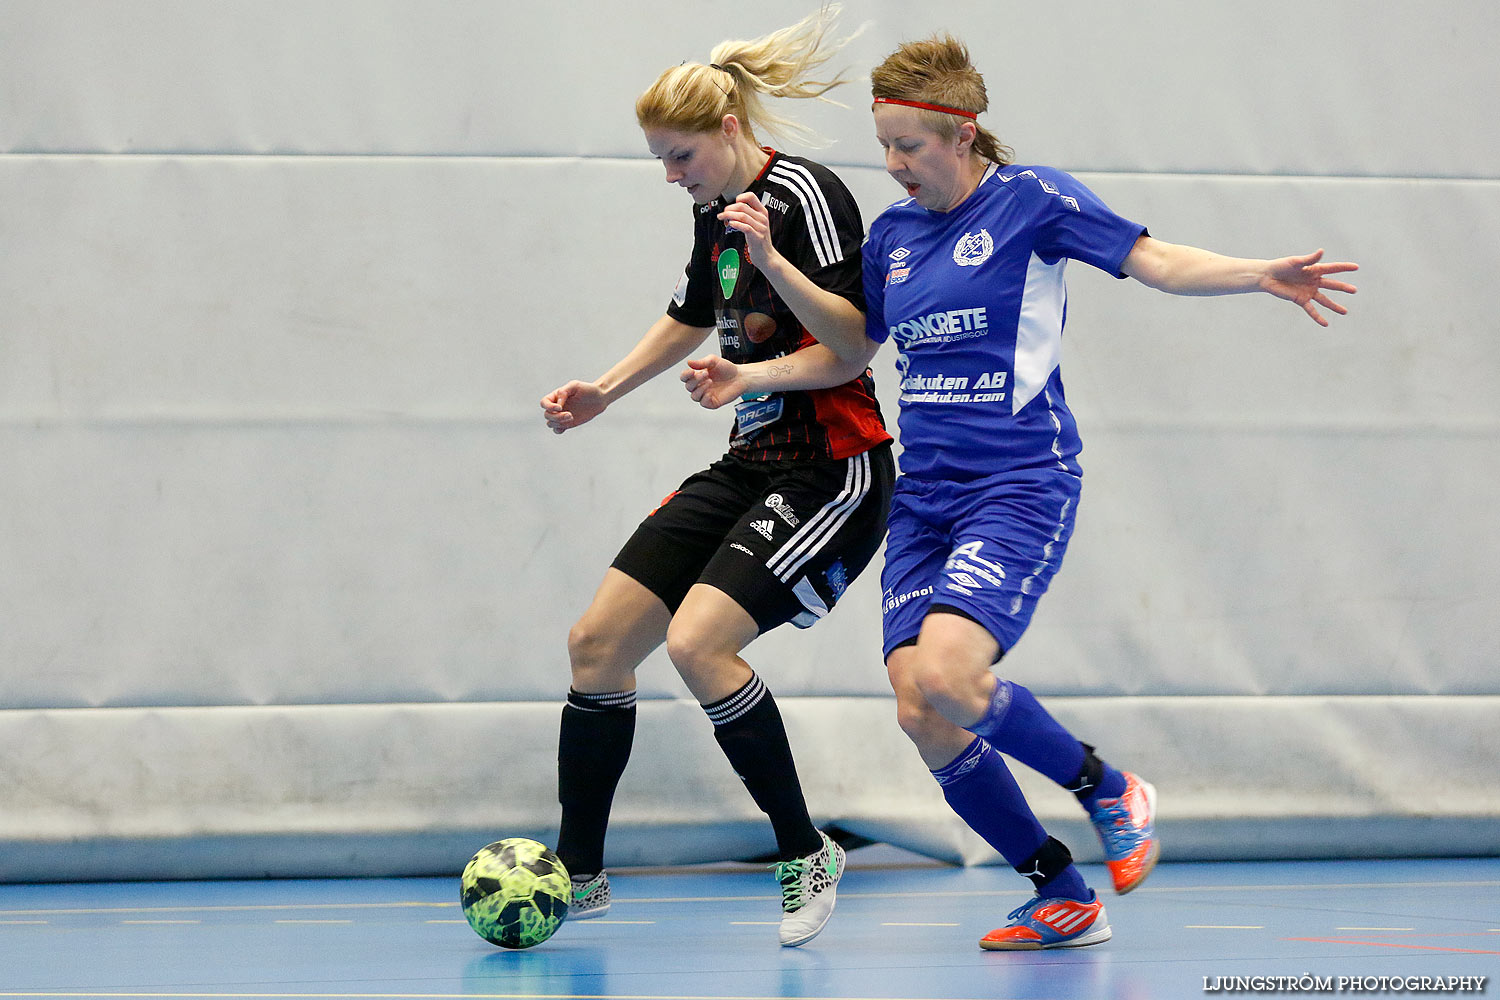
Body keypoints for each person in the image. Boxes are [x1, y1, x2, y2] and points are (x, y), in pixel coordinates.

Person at [682, 34, 1358, 951]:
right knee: (920, 707)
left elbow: (1154, 259)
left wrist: (1256, 274)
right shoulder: (893, 236)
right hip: (925, 500)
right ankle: (1060, 891)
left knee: (952, 676)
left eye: (910, 147)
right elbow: (851, 347)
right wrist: (758, 336)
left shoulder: (1032, 201)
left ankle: (1107, 787)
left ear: (962, 135)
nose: (894, 166)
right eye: (884, 146)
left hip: (1017, 482)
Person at [538, 6, 895, 948]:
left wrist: (754, 353)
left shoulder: (805, 198)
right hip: (752, 462)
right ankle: (579, 871)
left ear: (729, 130)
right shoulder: (712, 210)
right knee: (596, 646)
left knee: (700, 645)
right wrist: (606, 390)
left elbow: (853, 346)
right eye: (659, 160)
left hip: (834, 469)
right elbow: (693, 313)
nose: (671, 177)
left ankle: (802, 850)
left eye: (679, 157)